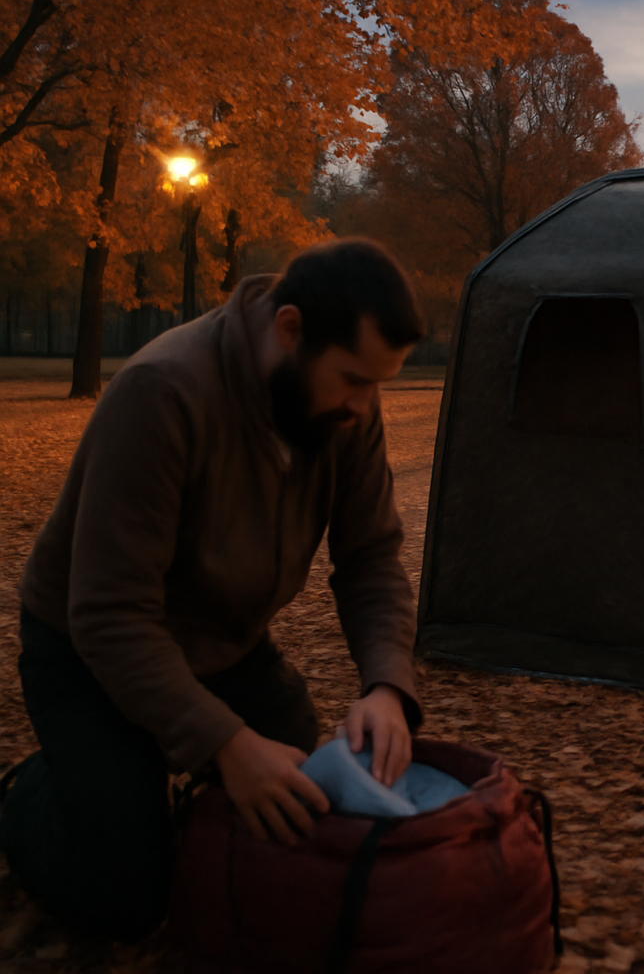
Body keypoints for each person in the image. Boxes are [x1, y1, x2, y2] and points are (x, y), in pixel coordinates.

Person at [0, 239, 427, 940]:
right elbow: (107, 614)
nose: (364, 404)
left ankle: (139, 786)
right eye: (353, 378)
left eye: (379, 382)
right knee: (125, 899)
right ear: (290, 331)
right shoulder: (162, 391)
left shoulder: (346, 407)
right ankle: (33, 793)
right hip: (87, 652)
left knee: (298, 807)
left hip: (223, 645)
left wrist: (386, 685)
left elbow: (372, 557)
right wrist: (226, 743)